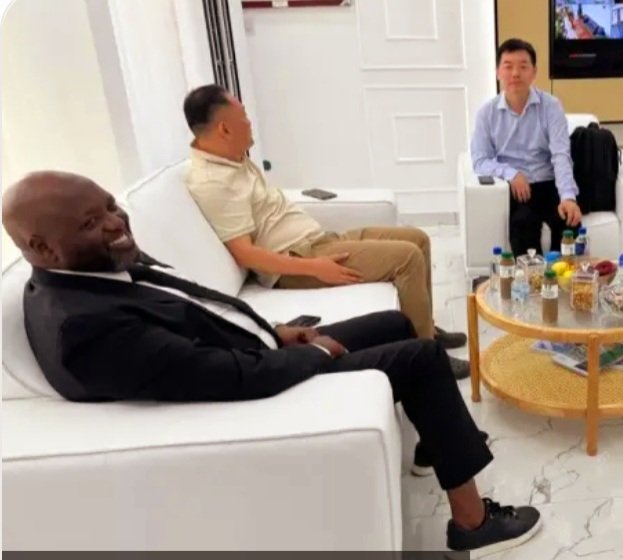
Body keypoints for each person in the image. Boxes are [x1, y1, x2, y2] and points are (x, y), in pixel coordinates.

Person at [2, 171, 541, 556]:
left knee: (396, 323)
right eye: (92, 221)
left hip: (257, 347)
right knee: (421, 356)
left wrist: (276, 330)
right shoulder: (83, 327)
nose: (116, 223)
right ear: (40, 246)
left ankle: (434, 444)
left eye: (111, 206)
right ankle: (471, 524)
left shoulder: (92, 270)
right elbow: (223, 377)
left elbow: (198, 312)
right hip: (256, 383)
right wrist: (312, 351)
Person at [180, 84, 471, 379]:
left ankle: (426, 327)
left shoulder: (232, 157)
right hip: (299, 258)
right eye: (243, 116)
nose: (250, 122)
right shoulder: (213, 182)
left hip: (319, 240)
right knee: (407, 258)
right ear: (224, 129)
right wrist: (315, 267)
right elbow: (245, 254)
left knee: (418, 239)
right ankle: (428, 354)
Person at [471, 38, 584, 258]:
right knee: (523, 225)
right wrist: (511, 173)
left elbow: (561, 155)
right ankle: (533, 277)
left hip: (548, 181)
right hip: (516, 188)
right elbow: (480, 160)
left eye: (523, 67)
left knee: (569, 222)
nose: (515, 73)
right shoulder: (486, 113)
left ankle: (562, 274)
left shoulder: (551, 106)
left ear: (534, 72)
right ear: (498, 72)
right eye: (508, 66)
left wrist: (568, 197)